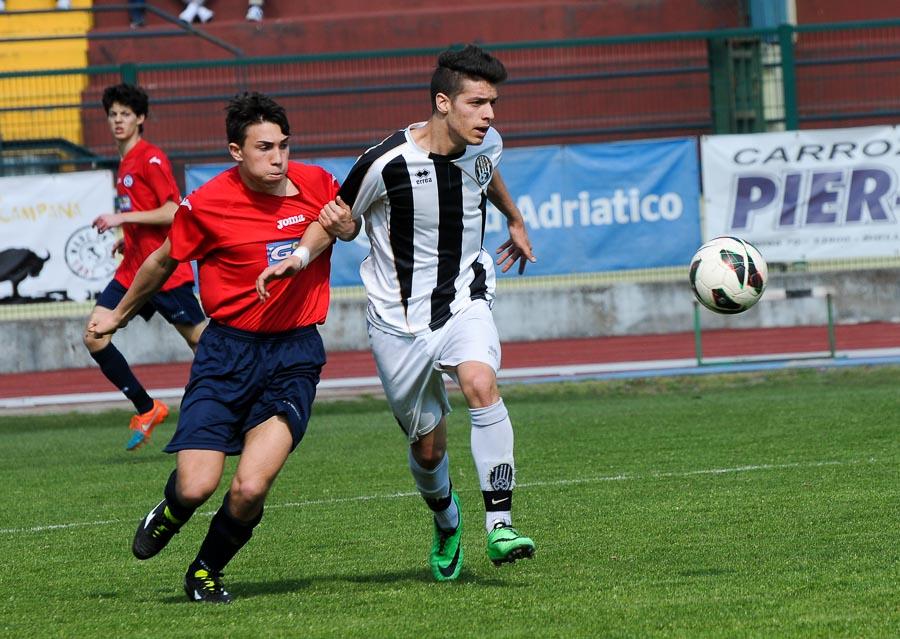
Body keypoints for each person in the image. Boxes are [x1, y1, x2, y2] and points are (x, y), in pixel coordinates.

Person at [257, 44, 537, 582]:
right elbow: (336, 217)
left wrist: (516, 220)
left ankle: (499, 524)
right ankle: (446, 518)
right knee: (429, 451)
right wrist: (298, 257)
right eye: (478, 103)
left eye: (493, 104)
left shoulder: (487, 143)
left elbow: (487, 171)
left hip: (463, 295)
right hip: (396, 322)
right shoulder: (385, 162)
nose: (490, 116)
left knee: (480, 381)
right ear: (442, 102)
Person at [89, 92, 344, 604]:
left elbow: (343, 224)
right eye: (264, 148)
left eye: (284, 146)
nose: (278, 158)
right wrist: (116, 315)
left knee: (251, 487)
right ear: (236, 151)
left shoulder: (316, 184)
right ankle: (171, 510)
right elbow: (163, 262)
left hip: (294, 356)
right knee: (196, 485)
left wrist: (347, 226)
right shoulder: (208, 203)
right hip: (226, 352)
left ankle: (205, 570)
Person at [86, 83, 206, 451]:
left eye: (126, 114)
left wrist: (122, 217)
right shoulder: (126, 161)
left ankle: (237, 402)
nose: (118, 121)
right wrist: (129, 235)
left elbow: (172, 210)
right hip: (132, 269)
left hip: (162, 270)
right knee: (94, 335)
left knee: (202, 343)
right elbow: (150, 214)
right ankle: (147, 407)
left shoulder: (151, 158)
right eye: (113, 115)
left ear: (140, 118)